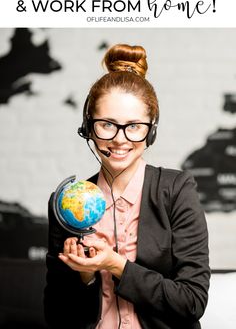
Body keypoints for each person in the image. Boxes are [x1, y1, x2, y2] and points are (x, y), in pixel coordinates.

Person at [44, 43, 210, 329]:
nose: (120, 139)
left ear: (151, 131)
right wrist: (85, 277)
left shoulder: (176, 191)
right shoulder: (69, 203)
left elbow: (192, 301)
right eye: (107, 124)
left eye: (134, 126)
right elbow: (58, 317)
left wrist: (115, 265)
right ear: (88, 127)